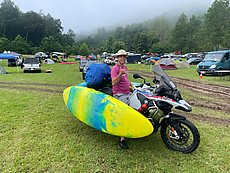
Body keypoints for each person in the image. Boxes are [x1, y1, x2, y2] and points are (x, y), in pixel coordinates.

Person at [111, 49, 131, 150]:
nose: (122, 58)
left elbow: (126, 80)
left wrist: (132, 86)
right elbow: (114, 83)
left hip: (127, 93)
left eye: (124, 56)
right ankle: (122, 139)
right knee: (124, 115)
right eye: (121, 56)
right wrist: (120, 73)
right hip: (119, 95)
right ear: (117, 58)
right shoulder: (115, 68)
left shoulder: (125, 67)